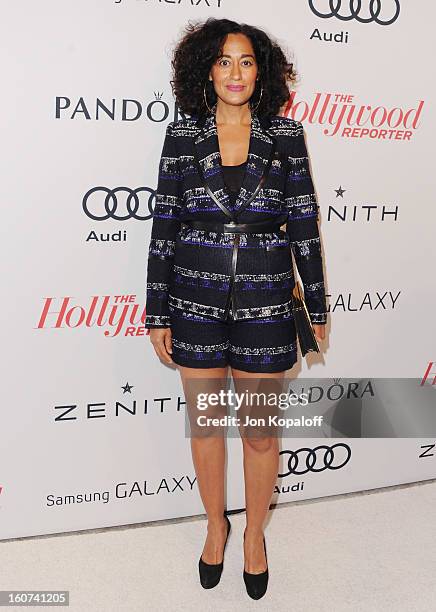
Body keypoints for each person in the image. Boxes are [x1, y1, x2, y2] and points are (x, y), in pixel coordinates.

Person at [144, 17, 327, 600]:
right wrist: (157, 312)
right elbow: (164, 227)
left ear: (262, 72)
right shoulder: (181, 138)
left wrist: (316, 303)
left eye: (247, 61)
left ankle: (254, 536)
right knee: (205, 428)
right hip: (193, 304)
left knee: (258, 434)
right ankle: (214, 526)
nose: (235, 72)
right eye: (224, 60)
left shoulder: (287, 137)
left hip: (267, 304)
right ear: (205, 69)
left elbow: (304, 224)